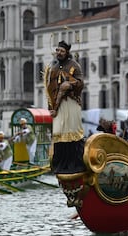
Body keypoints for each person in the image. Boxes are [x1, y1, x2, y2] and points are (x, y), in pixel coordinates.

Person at [44, 40, 86, 174]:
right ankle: (59, 165)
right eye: (57, 50)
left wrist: (71, 85)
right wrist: (51, 107)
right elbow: (50, 89)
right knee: (59, 133)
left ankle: (75, 164)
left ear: (67, 52)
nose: (59, 53)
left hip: (70, 103)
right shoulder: (54, 68)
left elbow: (81, 83)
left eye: (62, 51)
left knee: (72, 132)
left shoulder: (75, 66)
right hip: (58, 105)